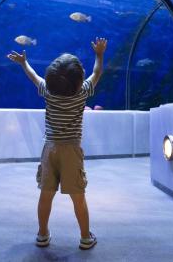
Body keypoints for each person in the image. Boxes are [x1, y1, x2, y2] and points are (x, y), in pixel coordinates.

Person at [7, 37, 107, 250]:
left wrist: (24, 63)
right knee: (78, 197)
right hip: (72, 150)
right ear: (80, 82)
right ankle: (85, 237)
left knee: (45, 194)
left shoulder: (48, 92)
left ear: (50, 79)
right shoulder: (83, 93)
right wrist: (99, 54)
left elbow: (34, 77)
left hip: (50, 149)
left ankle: (42, 235)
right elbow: (97, 73)